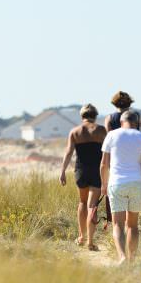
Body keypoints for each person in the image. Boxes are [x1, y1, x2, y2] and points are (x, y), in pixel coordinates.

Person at [100, 110, 141, 264]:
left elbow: (104, 164)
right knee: (132, 225)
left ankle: (122, 257)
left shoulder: (111, 135)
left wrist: (103, 185)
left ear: (121, 122)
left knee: (118, 224)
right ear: (137, 124)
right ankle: (132, 259)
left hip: (116, 183)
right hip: (136, 183)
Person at [60, 104, 107, 251]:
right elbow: (109, 152)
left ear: (82, 117)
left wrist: (62, 171)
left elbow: (68, 153)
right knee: (92, 205)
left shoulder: (75, 131)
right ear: (95, 115)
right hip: (96, 170)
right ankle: (90, 242)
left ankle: (81, 236)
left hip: (80, 170)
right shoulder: (101, 130)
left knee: (82, 202)